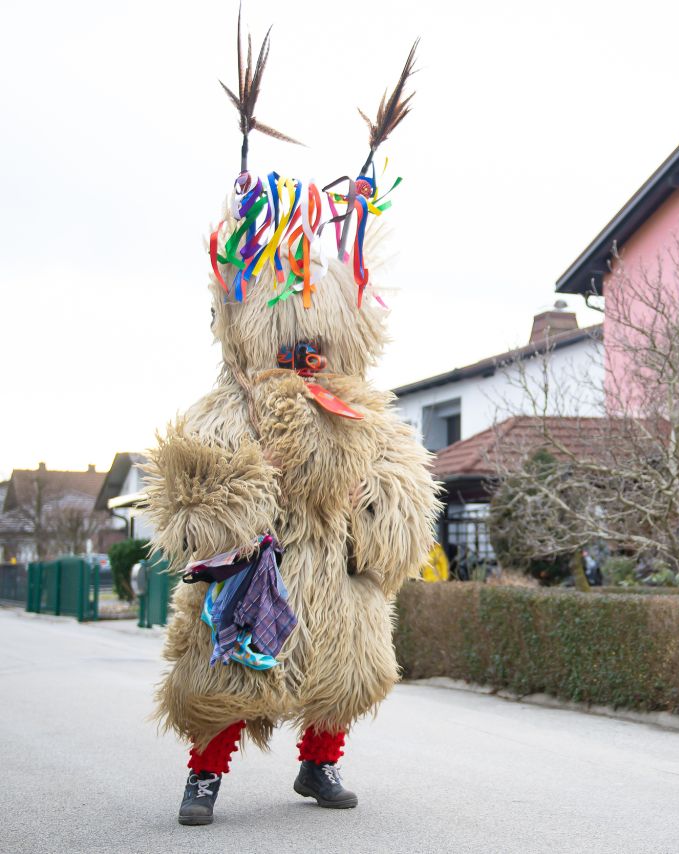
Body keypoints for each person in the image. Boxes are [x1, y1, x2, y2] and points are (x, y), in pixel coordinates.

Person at [145, 19, 441, 826]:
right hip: (257, 570)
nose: (306, 353)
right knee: (227, 676)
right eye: (294, 338)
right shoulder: (232, 402)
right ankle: (204, 774)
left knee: (341, 669)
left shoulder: (367, 413)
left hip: (334, 575)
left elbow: (405, 499)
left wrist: (374, 523)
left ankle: (320, 765)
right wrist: (230, 508)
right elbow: (187, 494)